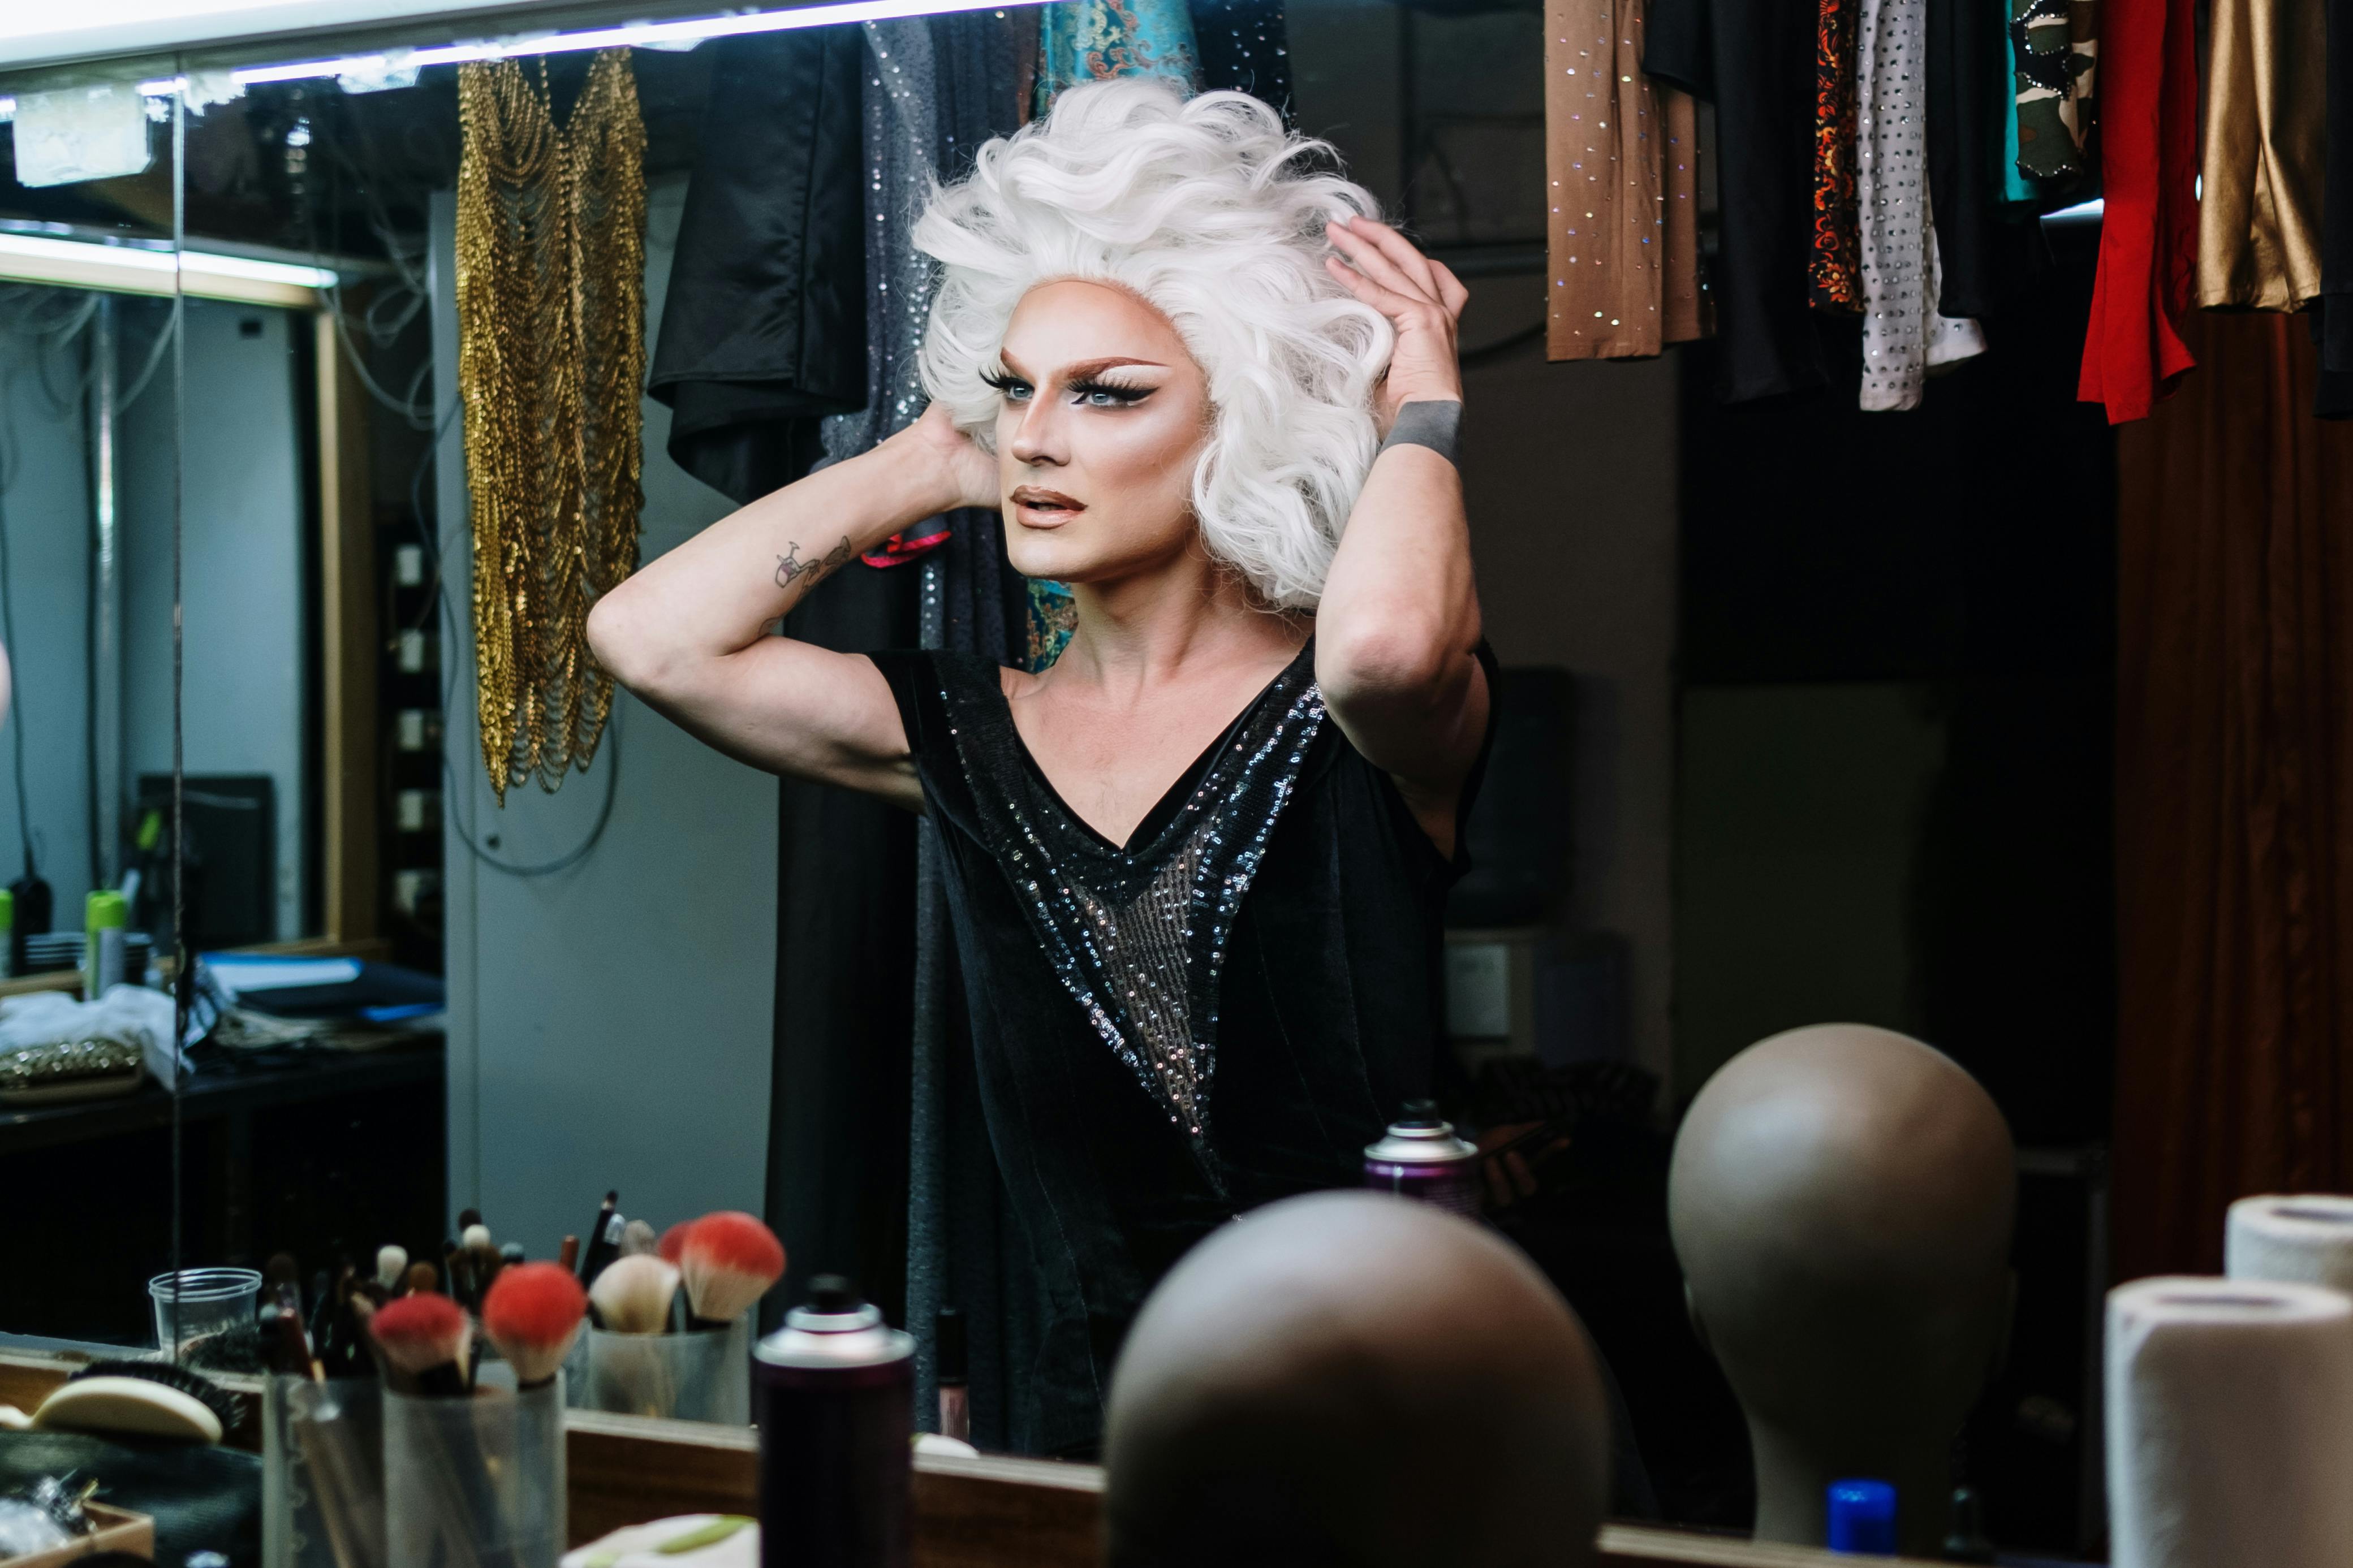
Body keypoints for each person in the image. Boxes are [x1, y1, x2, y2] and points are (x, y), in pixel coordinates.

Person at [588, 77, 1492, 1455]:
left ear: (1236, 421)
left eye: (1107, 395)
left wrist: (1418, 404)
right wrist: (931, 451)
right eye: (1018, 390)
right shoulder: (966, 729)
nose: (1038, 438)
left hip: (1397, 1414)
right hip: (1095, 1442)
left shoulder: (1354, 715)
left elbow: (1378, 650)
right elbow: (647, 638)